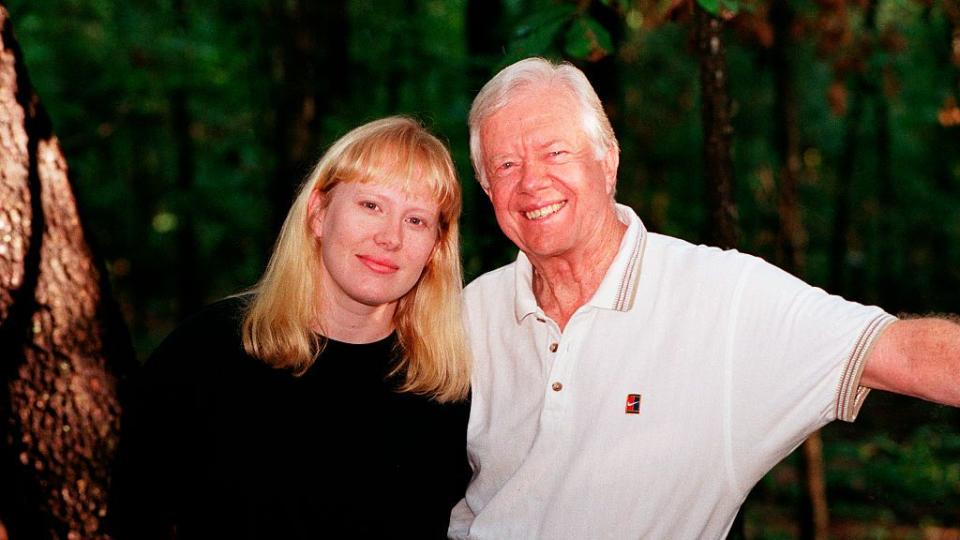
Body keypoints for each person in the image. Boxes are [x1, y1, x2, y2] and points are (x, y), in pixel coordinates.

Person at [449, 57, 960, 539]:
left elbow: (905, 353)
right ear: (488, 190)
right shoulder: (471, 313)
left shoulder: (722, 299)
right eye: (506, 164)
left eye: (555, 152)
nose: (533, 181)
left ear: (609, 161)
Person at [108, 116, 471, 539]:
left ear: (435, 249)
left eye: (416, 221)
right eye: (371, 205)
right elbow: (132, 513)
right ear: (318, 214)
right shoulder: (206, 352)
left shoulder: (447, 391)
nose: (390, 237)